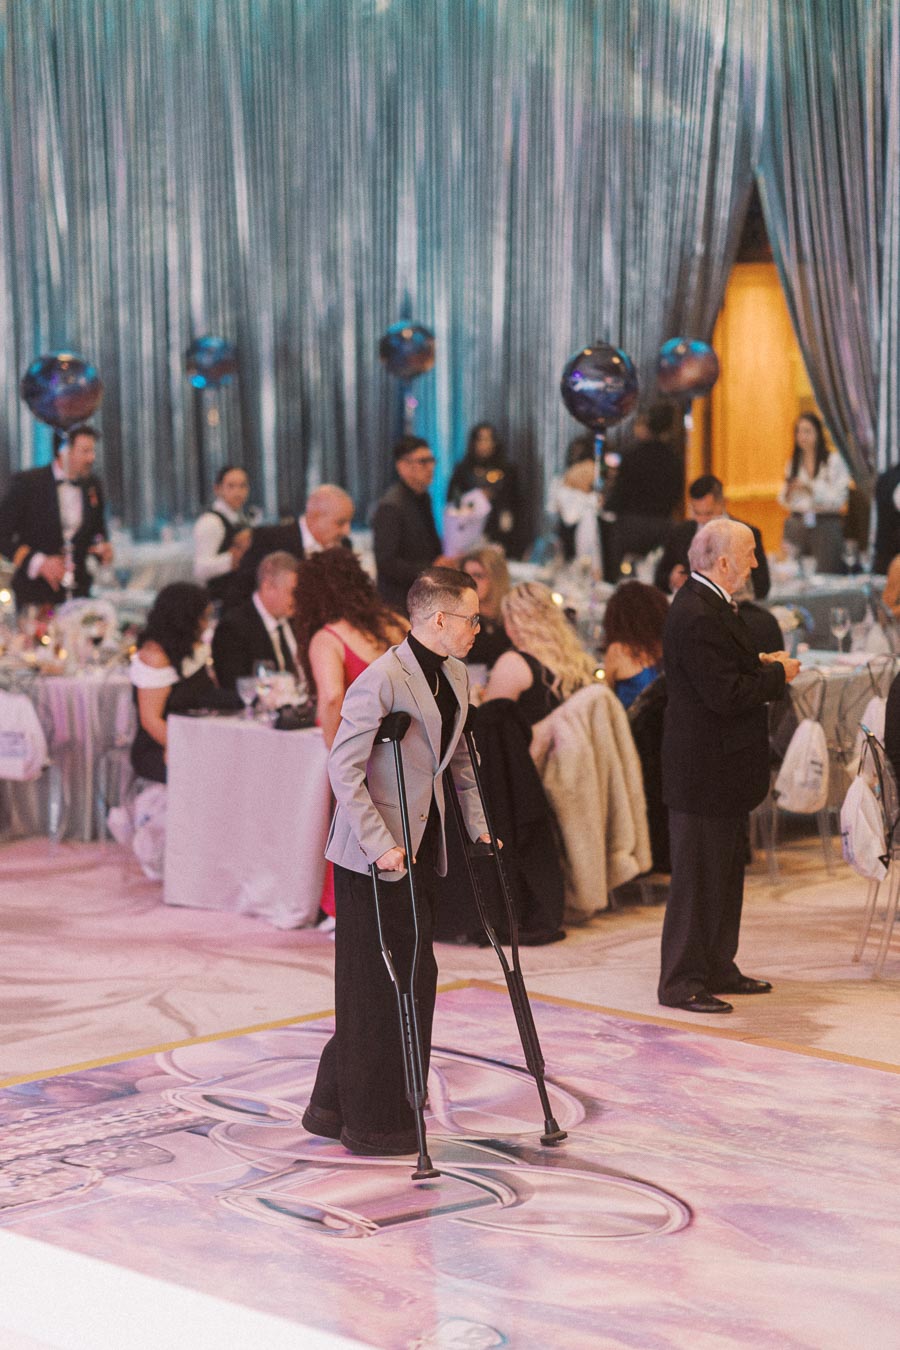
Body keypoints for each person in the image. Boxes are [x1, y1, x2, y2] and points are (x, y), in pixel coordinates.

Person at [301, 567, 490, 1156]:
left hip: (419, 845)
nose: (479, 629)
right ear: (439, 620)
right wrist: (379, 841)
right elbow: (342, 767)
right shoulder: (381, 680)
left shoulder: (455, 674)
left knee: (413, 976)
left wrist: (481, 830)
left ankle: (335, 1103)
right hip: (369, 854)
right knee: (371, 984)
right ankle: (373, 1120)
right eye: (472, 619)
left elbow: (459, 761)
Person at [658, 518, 800, 1014]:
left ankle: (718, 965)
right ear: (722, 562)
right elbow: (725, 694)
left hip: (721, 770)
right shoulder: (698, 612)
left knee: (722, 876)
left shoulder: (710, 604)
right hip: (704, 770)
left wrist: (760, 663)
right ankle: (681, 981)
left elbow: (720, 672)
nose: (756, 563)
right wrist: (777, 674)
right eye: (750, 553)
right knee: (698, 881)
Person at [293, 548, 408, 749]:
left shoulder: (328, 639)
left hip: (365, 750)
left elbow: (332, 699)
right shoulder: (399, 624)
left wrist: (336, 755)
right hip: (410, 746)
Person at [129, 583, 240, 785]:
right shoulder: (155, 657)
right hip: (160, 746)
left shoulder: (189, 647)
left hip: (196, 737)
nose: (206, 624)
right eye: (203, 617)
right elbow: (150, 720)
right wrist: (187, 748)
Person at [0, 425, 112, 609]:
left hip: (79, 594)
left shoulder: (93, 484)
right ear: (63, 451)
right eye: (85, 451)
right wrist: (39, 562)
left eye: (92, 451)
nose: (92, 458)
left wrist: (103, 549)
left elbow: (98, 532)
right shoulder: (28, 484)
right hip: (35, 597)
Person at [482, 581, 599, 725]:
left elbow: (488, 728)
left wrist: (475, 702)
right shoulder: (579, 662)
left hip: (533, 746)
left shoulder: (514, 664)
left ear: (513, 622)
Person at [232, 484, 355, 605]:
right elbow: (240, 597)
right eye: (341, 523)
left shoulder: (344, 546)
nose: (347, 531)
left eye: (349, 522)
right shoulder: (270, 540)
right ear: (314, 516)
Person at [654, 474, 771, 599]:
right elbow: (659, 579)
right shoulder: (680, 533)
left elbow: (762, 587)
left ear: (723, 503)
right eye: (697, 513)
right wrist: (671, 578)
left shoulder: (747, 534)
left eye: (708, 513)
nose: (703, 520)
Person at [603, 404, 683, 577]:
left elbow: (620, 492)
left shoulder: (632, 455)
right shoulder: (674, 458)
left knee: (624, 576)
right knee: (657, 574)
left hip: (631, 524)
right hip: (663, 524)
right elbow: (677, 493)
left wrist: (607, 506)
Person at [373, 436, 446, 612]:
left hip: (420, 595)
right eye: (423, 462)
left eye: (432, 460)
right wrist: (431, 568)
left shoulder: (423, 497)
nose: (431, 467)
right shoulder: (391, 506)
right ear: (402, 467)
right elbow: (386, 562)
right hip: (399, 601)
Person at [212, 551, 301, 692]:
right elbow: (236, 688)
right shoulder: (233, 628)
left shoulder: (294, 621)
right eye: (293, 592)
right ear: (268, 587)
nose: (298, 599)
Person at [777, 412, 851, 574]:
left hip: (826, 523)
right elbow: (784, 499)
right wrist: (790, 490)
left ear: (818, 432)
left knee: (828, 574)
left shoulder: (833, 461)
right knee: (794, 572)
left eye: (807, 431)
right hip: (798, 521)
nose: (802, 436)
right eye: (798, 431)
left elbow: (837, 500)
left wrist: (809, 488)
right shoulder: (793, 463)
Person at [447, 423, 524, 557]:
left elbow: (517, 503)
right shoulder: (463, 470)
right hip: (470, 533)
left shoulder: (507, 469)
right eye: (480, 439)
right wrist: (477, 498)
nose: (484, 444)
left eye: (488, 439)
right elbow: (453, 502)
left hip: (500, 531)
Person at [191, 465, 253, 607]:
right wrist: (232, 559)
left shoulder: (242, 519)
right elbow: (200, 570)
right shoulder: (211, 522)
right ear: (218, 489)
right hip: (221, 603)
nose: (238, 492)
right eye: (231, 486)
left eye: (242, 486)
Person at [602, 581, 669, 709]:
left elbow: (607, 700)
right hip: (672, 726)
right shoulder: (671, 646)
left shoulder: (618, 651)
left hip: (632, 727)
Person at [458, 544, 512, 671]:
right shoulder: (460, 620)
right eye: (465, 576)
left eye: (478, 576)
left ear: (496, 578)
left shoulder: (513, 618)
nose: (470, 582)